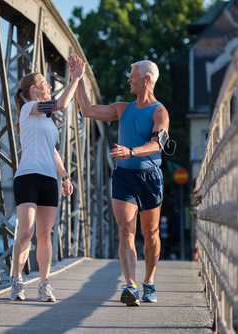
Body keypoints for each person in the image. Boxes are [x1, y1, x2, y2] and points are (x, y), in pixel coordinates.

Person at [72, 55, 169, 306]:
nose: (129, 79)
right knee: (126, 230)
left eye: (133, 76)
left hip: (149, 177)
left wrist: (132, 151)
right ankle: (131, 285)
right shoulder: (122, 108)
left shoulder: (159, 111)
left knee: (150, 234)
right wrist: (78, 79)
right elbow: (87, 110)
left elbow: (158, 144)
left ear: (147, 79)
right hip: (123, 177)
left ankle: (149, 281)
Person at [10, 56, 86, 302]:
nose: (49, 86)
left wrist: (65, 175)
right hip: (27, 177)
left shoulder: (46, 121)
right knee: (26, 232)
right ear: (34, 89)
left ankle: (44, 284)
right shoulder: (28, 109)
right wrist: (75, 79)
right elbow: (62, 104)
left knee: (45, 234)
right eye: (45, 83)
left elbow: (52, 150)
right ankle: (17, 281)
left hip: (48, 180)